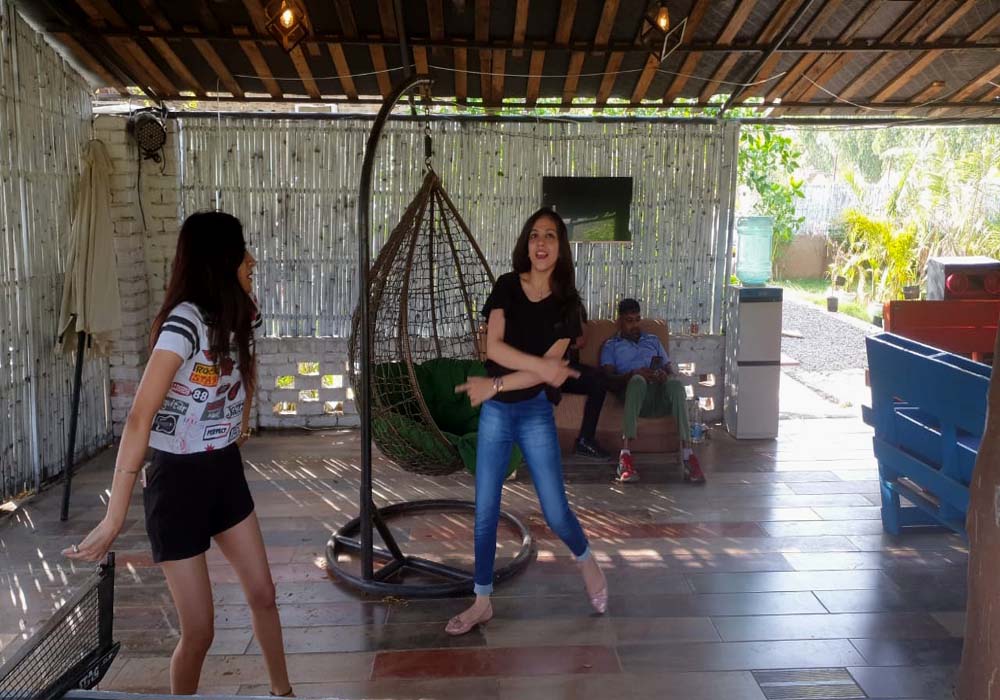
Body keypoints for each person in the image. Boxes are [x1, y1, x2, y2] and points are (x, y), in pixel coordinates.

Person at [64, 212, 293, 697]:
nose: (252, 260)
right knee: (201, 631)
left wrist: (240, 421)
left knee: (264, 594)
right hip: (177, 485)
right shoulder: (183, 324)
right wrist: (114, 518)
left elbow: (245, 366)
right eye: (242, 251)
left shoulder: (242, 311)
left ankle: (284, 693)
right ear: (220, 260)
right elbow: (138, 418)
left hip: (224, 471)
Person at [449, 207, 608, 636]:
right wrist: (534, 370)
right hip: (497, 413)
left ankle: (587, 562)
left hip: (534, 411)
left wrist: (496, 384)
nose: (541, 242)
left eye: (551, 235)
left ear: (561, 247)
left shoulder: (569, 306)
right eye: (535, 234)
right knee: (485, 510)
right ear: (526, 242)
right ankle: (482, 601)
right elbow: (495, 349)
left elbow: (542, 375)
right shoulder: (506, 286)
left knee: (555, 512)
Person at [600, 298, 706, 485]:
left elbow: (670, 370)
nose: (634, 325)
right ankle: (625, 459)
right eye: (629, 321)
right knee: (638, 380)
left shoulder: (653, 340)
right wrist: (632, 374)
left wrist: (664, 375)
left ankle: (688, 455)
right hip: (635, 395)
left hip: (658, 394)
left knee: (675, 385)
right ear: (620, 321)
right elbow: (607, 378)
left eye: (637, 319)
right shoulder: (611, 345)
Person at [561, 305, 612, 459]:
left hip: (567, 368)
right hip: (542, 368)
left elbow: (580, 342)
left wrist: (576, 313)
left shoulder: (574, 306)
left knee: (599, 379)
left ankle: (585, 440)